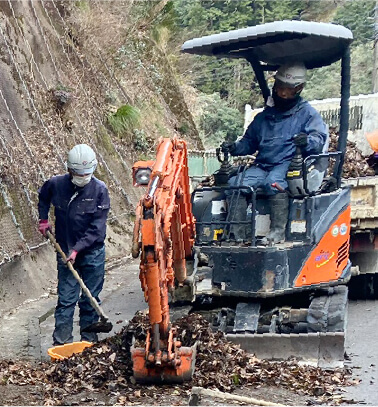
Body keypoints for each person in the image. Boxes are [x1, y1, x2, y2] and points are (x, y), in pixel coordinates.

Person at [221, 62, 328, 244]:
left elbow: (318, 140)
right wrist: (235, 148)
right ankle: (238, 235)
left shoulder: (307, 114)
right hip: (263, 164)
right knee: (235, 184)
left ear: (299, 88)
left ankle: (278, 232)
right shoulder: (264, 117)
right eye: (279, 88)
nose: (282, 93)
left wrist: (306, 141)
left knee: (274, 183)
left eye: (287, 89)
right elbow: (249, 142)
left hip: (288, 163)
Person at [38, 144, 110, 345]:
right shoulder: (56, 184)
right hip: (65, 250)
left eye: (87, 173)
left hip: (92, 253)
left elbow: (97, 228)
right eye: (78, 173)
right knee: (66, 300)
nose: (83, 176)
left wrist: (77, 249)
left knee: (90, 300)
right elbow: (43, 197)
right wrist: (43, 219)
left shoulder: (100, 190)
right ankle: (62, 344)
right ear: (70, 170)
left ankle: (88, 342)